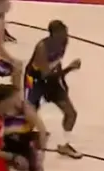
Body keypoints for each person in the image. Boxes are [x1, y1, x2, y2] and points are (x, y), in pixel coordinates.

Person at [24, 19, 83, 158]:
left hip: (52, 78)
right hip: (35, 80)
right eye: (63, 33)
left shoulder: (64, 42)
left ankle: (65, 145)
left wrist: (63, 82)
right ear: (54, 34)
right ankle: (20, 143)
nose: (66, 35)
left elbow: (57, 63)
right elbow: (45, 75)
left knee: (71, 113)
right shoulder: (42, 47)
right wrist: (70, 69)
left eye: (66, 32)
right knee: (30, 114)